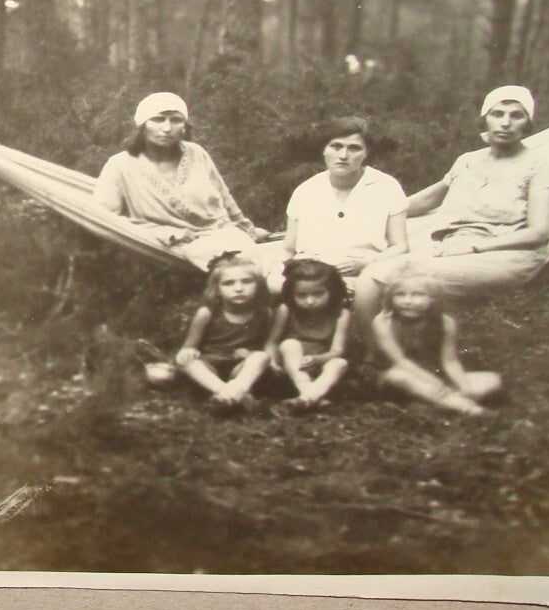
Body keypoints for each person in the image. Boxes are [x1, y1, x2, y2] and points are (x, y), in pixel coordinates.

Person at [355, 86, 549, 340]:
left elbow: (539, 232)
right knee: (369, 268)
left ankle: (375, 351)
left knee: (376, 277)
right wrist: (372, 215)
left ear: (528, 123)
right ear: (485, 119)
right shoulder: (468, 160)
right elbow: (430, 198)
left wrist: (474, 247)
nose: (506, 123)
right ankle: (384, 348)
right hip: (453, 247)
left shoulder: (539, 166)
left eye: (516, 115)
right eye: (497, 114)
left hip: (505, 255)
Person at [94, 92, 268, 271]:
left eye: (176, 120)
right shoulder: (120, 165)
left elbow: (225, 197)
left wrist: (248, 229)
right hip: (176, 244)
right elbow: (105, 218)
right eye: (158, 119)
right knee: (233, 266)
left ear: (185, 126)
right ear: (143, 125)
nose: (167, 128)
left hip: (222, 231)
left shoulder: (196, 153)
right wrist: (166, 233)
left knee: (261, 262)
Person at [276, 116, 407, 291]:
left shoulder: (386, 186)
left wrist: (367, 263)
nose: (343, 156)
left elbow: (400, 246)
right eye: (336, 146)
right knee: (274, 285)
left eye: (354, 148)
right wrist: (276, 272)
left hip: (363, 272)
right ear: (324, 150)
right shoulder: (306, 190)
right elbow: (288, 248)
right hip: (308, 273)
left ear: (366, 153)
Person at [372, 274, 500, 416]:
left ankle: (436, 402)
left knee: (492, 379)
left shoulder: (445, 322)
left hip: (435, 374)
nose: (407, 301)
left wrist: (464, 386)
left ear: (433, 298)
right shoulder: (383, 321)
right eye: (400, 294)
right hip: (396, 375)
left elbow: (450, 361)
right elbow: (400, 361)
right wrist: (435, 383)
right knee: (399, 377)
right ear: (390, 297)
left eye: (418, 294)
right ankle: (471, 409)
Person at [161, 254, 273, 412]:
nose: (239, 288)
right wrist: (190, 351)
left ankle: (228, 395)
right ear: (217, 289)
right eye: (228, 283)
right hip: (210, 367)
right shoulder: (207, 314)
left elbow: (264, 347)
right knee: (187, 363)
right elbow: (188, 347)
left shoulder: (263, 313)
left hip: (239, 369)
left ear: (258, 285)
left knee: (260, 357)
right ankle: (232, 393)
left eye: (247, 281)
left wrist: (250, 353)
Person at [267, 258, 351, 410]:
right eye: (301, 295)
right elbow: (272, 342)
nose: (310, 301)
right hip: (292, 367)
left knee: (339, 363)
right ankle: (310, 394)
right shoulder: (286, 310)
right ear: (291, 293)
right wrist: (272, 361)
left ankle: (307, 398)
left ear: (332, 291)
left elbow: (337, 351)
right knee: (289, 344)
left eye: (318, 294)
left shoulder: (341, 313)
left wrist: (317, 360)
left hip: (321, 365)